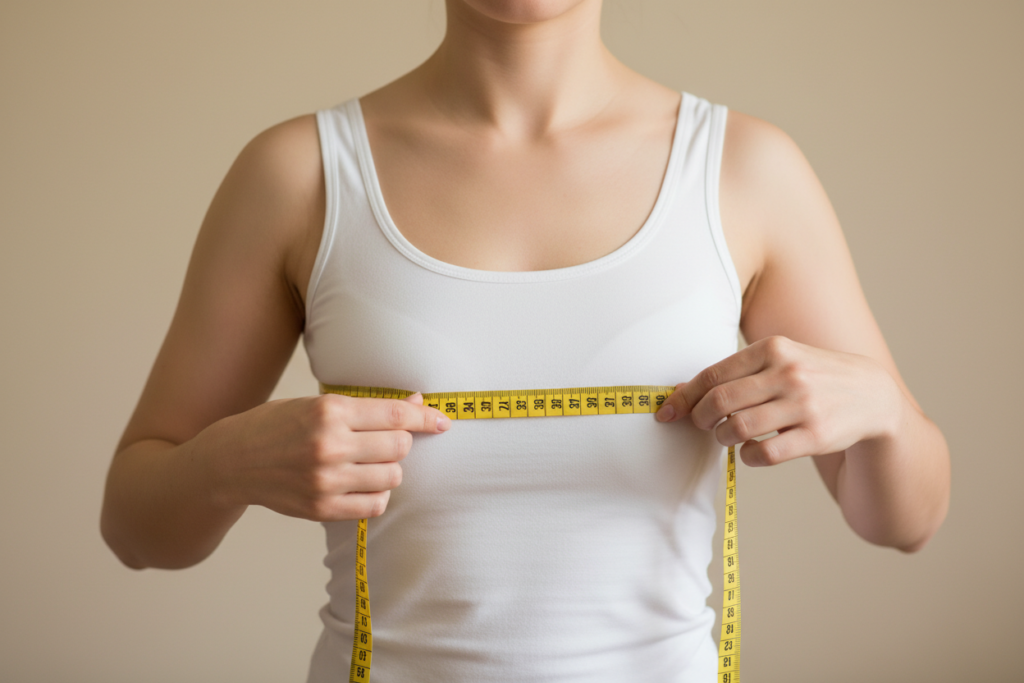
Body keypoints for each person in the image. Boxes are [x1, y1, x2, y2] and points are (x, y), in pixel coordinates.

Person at [100, 1, 950, 680]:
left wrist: (881, 413)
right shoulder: (300, 174)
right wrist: (228, 463)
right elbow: (134, 527)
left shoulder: (745, 171)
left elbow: (906, 521)